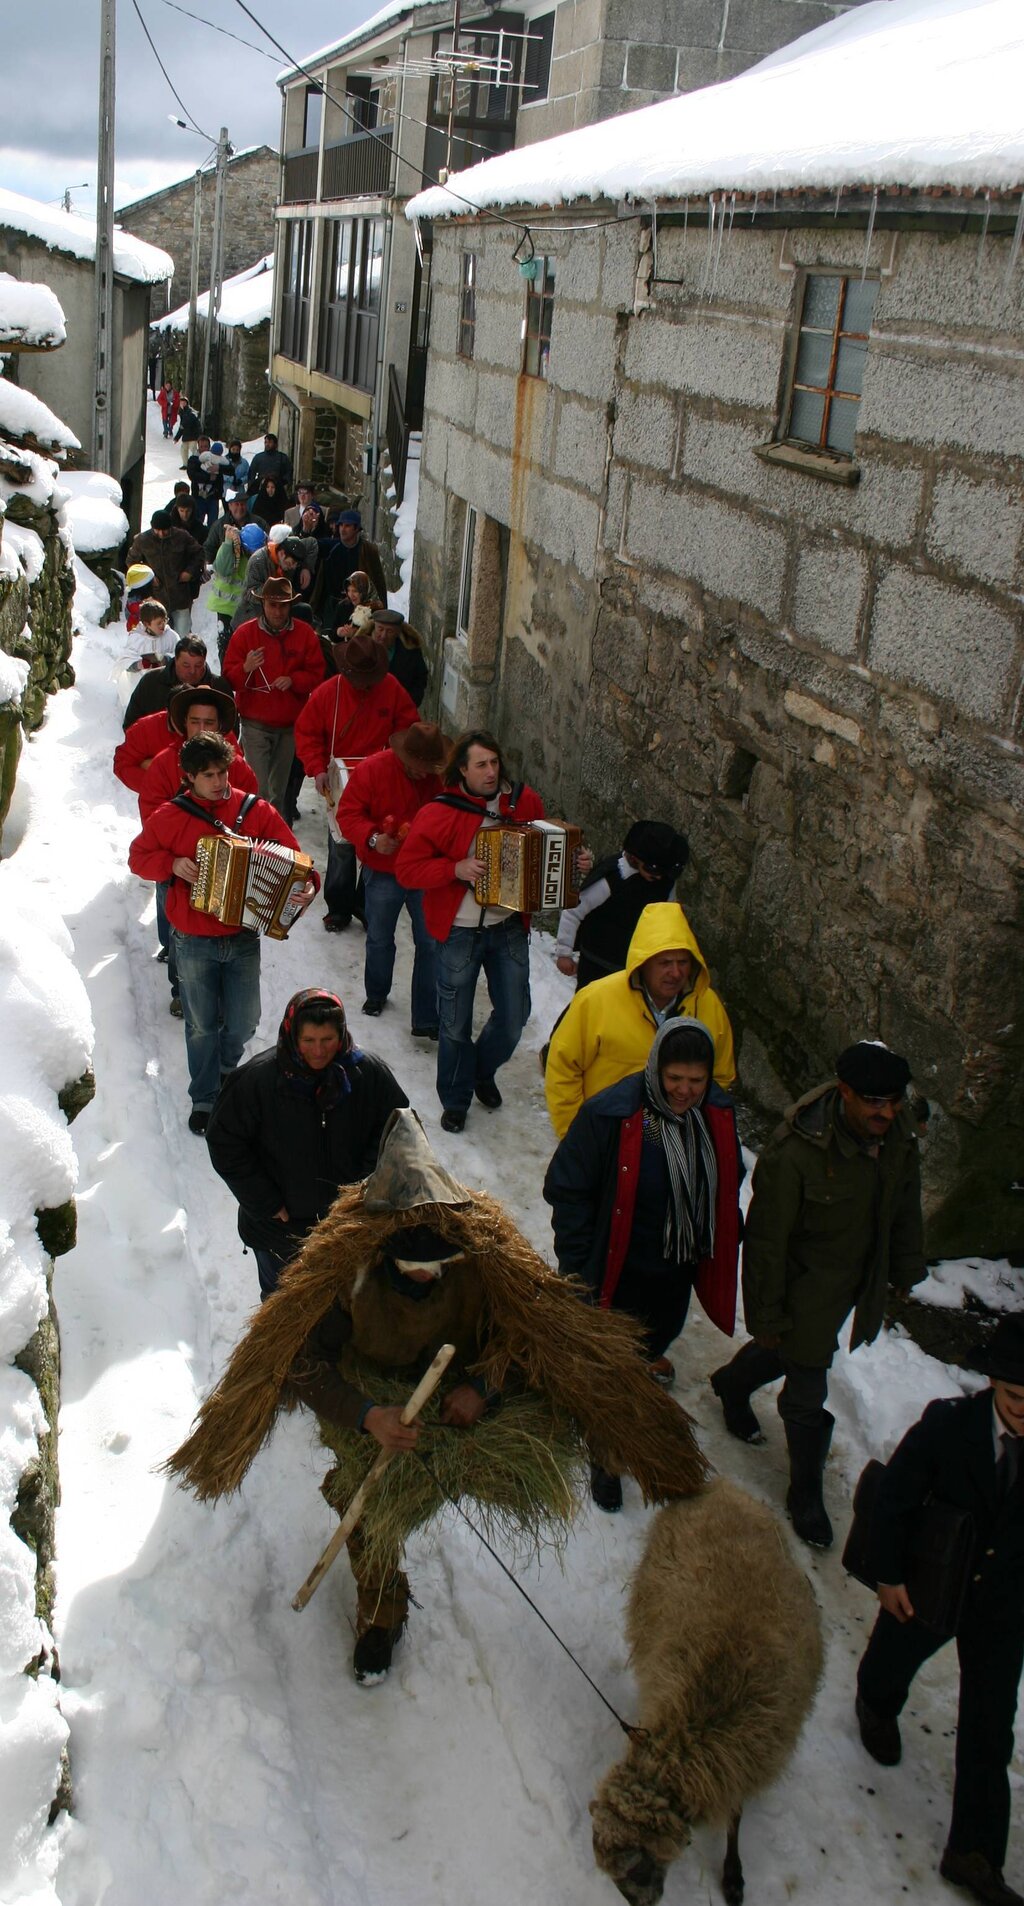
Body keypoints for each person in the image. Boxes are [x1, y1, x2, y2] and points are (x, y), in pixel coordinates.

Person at [168, 1108, 707, 1683]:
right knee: (366, 1500)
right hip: (368, 1388)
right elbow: (306, 1365)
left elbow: (525, 1338)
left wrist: (482, 1387)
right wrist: (367, 1415)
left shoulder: (481, 1264)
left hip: (450, 1385)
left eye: (437, 1268)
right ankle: (381, 1613)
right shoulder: (347, 1275)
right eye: (413, 1268)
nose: (427, 1277)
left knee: (412, 1482)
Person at [710, 1039, 925, 1549]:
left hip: (856, 1279)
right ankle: (805, 1494)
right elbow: (765, 1242)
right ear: (845, 1093)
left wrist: (905, 1266)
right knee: (807, 1392)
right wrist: (765, 1313)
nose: (888, 1113)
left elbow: (904, 1201)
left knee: (788, 1351)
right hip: (803, 1285)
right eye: (876, 1102)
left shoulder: (896, 1135)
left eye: (894, 1101)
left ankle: (732, 1383)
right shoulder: (796, 1153)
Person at [853, 1317, 1024, 1906]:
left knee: (989, 1728)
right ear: (993, 1385)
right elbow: (896, 1497)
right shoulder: (948, 1426)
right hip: (936, 1580)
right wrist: (889, 1575)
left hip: (1004, 1604)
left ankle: (973, 1852)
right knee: (896, 1654)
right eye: (1015, 1397)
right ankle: (875, 1701)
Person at [544, 1018, 742, 1509]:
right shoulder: (612, 1114)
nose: (684, 1091)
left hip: (674, 1269)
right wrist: (576, 1262)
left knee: (653, 1341)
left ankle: (634, 1383)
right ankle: (606, 1455)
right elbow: (567, 1188)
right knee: (613, 1366)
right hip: (616, 1270)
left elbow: (728, 1178)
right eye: (675, 1078)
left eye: (697, 1081)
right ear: (656, 1067)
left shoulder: (714, 1114)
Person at [127, 732, 312, 1134]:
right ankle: (205, 1097)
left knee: (246, 1020)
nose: (218, 781)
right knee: (200, 1024)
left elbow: (297, 859)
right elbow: (138, 858)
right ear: (189, 777)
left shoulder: (254, 811)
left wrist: (306, 883)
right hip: (192, 939)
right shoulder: (170, 816)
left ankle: (225, 1067)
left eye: (222, 772)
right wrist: (173, 865)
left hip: (242, 935)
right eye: (208, 774)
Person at [205, 987, 409, 1298]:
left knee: (343, 1302)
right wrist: (265, 1201)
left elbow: (398, 1127)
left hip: (347, 1224)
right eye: (308, 1041)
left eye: (328, 1040)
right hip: (279, 1231)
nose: (319, 1051)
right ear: (291, 1036)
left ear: (341, 1035)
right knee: (282, 1305)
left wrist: (366, 1181)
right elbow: (224, 1141)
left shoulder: (365, 1073)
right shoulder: (259, 1080)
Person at [394, 730, 546, 1134]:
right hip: (460, 931)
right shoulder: (439, 812)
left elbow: (545, 849)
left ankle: (479, 1071)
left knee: (515, 1017)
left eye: (495, 762)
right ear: (462, 769)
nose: (491, 771)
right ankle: (456, 1098)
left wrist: (570, 861)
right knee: (455, 1024)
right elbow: (407, 869)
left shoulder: (524, 802)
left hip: (508, 925)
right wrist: (454, 869)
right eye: (481, 764)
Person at [544, 901, 736, 1140]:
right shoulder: (595, 1000)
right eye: (665, 963)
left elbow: (720, 1076)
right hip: (606, 1136)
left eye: (683, 962)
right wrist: (576, 1134)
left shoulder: (709, 1006)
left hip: (673, 1142)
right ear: (643, 963)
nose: (675, 973)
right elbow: (562, 1068)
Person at [293, 634, 418, 932]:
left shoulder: (392, 689)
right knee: (341, 844)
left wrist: (399, 762)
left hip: (381, 778)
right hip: (339, 778)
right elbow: (307, 733)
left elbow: (408, 728)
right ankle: (338, 907)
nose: (364, 684)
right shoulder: (327, 693)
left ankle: (364, 901)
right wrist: (317, 768)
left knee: (376, 838)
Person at [337, 722, 447, 1029]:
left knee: (430, 942)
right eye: (417, 767)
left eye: (428, 768)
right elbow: (348, 814)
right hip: (384, 870)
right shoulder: (372, 770)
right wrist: (373, 838)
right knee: (380, 937)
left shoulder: (440, 779)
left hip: (426, 873)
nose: (423, 774)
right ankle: (376, 993)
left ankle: (426, 1016)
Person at [222, 577, 325, 814]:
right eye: (272, 605)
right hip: (255, 724)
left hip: (290, 726)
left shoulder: (305, 634)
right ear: (263, 605)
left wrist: (294, 680)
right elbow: (228, 679)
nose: (277, 611)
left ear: (290, 606)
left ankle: (272, 841)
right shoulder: (244, 634)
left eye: (283, 605)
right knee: (260, 790)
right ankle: (254, 837)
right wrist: (246, 668)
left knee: (278, 792)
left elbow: (317, 675)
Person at [555, 819, 690, 989]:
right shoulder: (613, 878)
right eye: (652, 871)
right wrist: (564, 953)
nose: (658, 879)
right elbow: (574, 911)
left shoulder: (664, 883)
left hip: (634, 964)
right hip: (597, 962)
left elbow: (667, 917)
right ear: (635, 859)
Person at [122, 634, 230, 731]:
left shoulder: (219, 687)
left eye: (198, 666)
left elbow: (229, 731)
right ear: (175, 660)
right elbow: (131, 725)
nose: (192, 671)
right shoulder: (151, 682)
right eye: (186, 665)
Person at [125, 511, 204, 638]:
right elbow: (131, 561)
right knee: (158, 637)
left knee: (182, 636)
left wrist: (190, 571)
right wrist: (148, 577)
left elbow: (199, 553)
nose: (161, 534)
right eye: (157, 531)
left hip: (180, 595)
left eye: (165, 531)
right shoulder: (143, 540)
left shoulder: (182, 537)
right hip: (156, 597)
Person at [207, 521, 260, 663]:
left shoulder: (257, 558)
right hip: (225, 608)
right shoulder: (229, 549)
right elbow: (222, 568)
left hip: (245, 610)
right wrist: (228, 543)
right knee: (226, 646)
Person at [322, 508, 388, 620]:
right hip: (335, 605)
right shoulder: (332, 548)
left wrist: (382, 610)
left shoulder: (368, 550)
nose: (343, 529)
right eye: (341, 525)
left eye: (347, 526)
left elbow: (378, 581)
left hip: (362, 608)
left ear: (356, 528)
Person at [370, 607, 428, 707]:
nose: (383, 636)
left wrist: (410, 703)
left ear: (397, 633)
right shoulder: (361, 648)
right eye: (380, 629)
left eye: (389, 631)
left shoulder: (410, 651)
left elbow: (420, 678)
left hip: (399, 710)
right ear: (374, 627)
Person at [187, 435, 226, 529]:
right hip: (199, 496)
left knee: (213, 524)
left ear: (209, 447)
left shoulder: (215, 459)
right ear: (198, 447)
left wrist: (219, 493)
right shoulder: (194, 459)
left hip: (213, 496)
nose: (203, 449)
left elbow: (220, 476)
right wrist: (208, 478)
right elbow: (192, 475)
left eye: (206, 446)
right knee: (197, 522)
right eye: (201, 446)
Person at [204, 489, 251, 562]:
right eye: (237, 504)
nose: (240, 508)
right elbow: (208, 548)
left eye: (242, 504)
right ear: (230, 506)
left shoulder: (258, 522)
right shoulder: (219, 526)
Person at [245, 431, 293, 496]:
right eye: (266, 442)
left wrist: (283, 482)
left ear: (275, 444)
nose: (267, 444)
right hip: (261, 488)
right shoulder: (258, 457)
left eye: (270, 442)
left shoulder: (282, 457)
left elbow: (289, 472)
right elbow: (251, 473)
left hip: (278, 488)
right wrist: (253, 487)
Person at [174, 396, 203, 466]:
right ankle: (185, 465)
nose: (182, 404)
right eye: (181, 402)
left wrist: (177, 438)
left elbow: (183, 425)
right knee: (183, 450)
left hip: (193, 436)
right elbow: (182, 426)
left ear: (187, 403)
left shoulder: (190, 412)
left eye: (184, 402)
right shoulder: (183, 412)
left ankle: (197, 464)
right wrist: (177, 438)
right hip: (186, 436)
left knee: (194, 451)